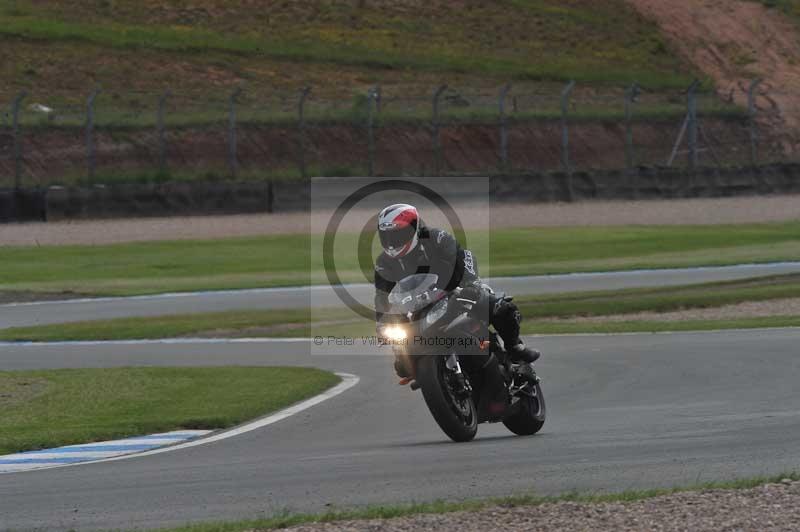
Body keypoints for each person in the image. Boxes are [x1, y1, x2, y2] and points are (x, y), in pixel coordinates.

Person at [373, 203, 540, 382]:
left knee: (497, 306)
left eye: (397, 234)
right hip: (419, 308)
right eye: (387, 236)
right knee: (402, 365)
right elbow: (382, 297)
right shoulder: (384, 263)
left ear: (414, 229)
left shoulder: (436, 238)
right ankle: (435, 377)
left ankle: (515, 347)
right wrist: (383, 322)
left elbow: (464, 256)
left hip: (455, 291)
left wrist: (471, 283)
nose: (392, 242)